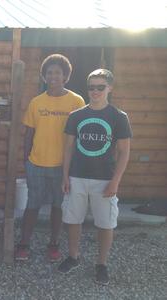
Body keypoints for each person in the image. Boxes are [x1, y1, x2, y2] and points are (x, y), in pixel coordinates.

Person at [58, 69, 132, 285]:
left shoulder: (119, 117)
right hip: (77, 177)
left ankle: (101, 264)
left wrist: (116, 180)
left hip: (105, 179)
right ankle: (73, 257)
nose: (96, 91)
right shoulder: (76, 116)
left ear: (110, 88)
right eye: (92, 87)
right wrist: (65, 176)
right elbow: (68, 148)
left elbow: (124, 151)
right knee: (72, 220)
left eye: (101, 87)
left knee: (105, 223)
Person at [15, 54, 85, 262]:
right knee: (32, 205)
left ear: (66, 76)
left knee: (58, 206)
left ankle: (54, 244)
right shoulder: (36, 102)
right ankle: (24, 244)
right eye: (49, 73)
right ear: (44, 76)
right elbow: (28, 134)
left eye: (58, 72)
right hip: (36, 164)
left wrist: (74, 165)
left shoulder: (76, 101)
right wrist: (26, 160)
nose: (53, 76)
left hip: (62, 167)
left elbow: (80, 135)